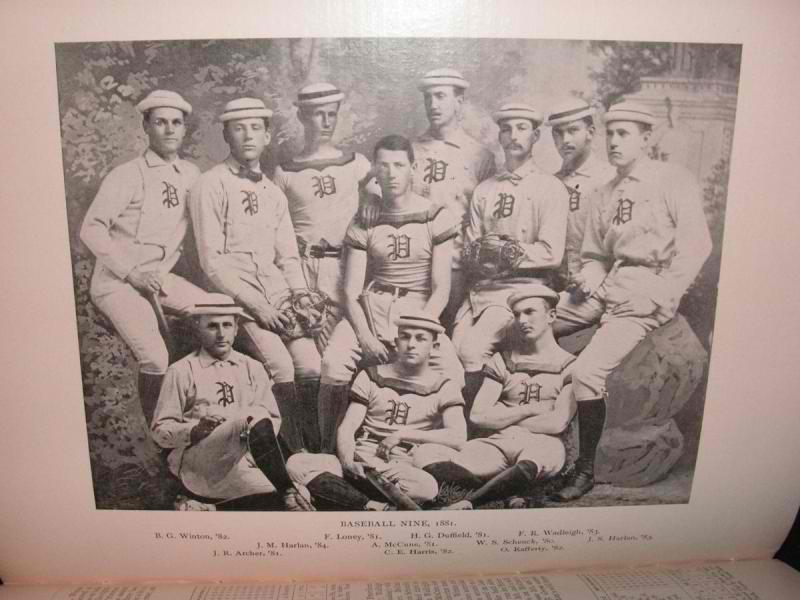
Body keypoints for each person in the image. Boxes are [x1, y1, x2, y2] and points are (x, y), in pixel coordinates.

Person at [551, 100, 712, 501]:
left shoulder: (671, 181)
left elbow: (696, 245)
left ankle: (585, 468)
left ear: (646, 137)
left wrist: (663, 294)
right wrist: (589, 280)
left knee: (587, 372)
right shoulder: (604, 192)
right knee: (536, 324)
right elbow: (594, 256)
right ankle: (533, 442)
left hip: (647, 290)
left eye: (624, 134)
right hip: (610, 285)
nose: (614, 142)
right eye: (610, 133)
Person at [318, 134, 465, 453]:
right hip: (373, 305)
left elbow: (441, 288)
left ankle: (434, 454)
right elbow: (350, 291)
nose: (391, 173)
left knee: (452, 370)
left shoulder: (435, 215)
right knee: (333, 363)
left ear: (413, 168)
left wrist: (418, 333)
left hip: (418, 309)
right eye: (383, 166)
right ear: (375, 170)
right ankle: (330, 449)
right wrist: (365, 337)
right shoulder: (366, 218)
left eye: (399, 165)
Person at [189, 97, 320, 454]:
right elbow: (211, 263)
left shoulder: (273, 193)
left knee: (311, 364)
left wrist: (301, 297)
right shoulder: (210, 184)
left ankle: (316, 454)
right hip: (235, 298)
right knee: (281, 365)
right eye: (238, 128)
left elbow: (288, 256)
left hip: (275, 291)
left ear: (267, 136)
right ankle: (288, 455)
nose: (247, 135)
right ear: (226, 136)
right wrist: (258, 307)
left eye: (255, 128)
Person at [79, 89, 211, 424]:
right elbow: (91, 229)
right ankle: (159, 433)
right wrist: (132, 273)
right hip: (118, 282)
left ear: (184, 128)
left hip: (161, 278)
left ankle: (206, 415)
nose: (169, 130)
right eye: (160, 122)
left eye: (176, 123)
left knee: (218, 309)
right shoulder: (127, 174)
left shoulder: (192, 175)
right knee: (155, 356)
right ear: (146, 127)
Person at [273, 83, 373, 451]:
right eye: (318, 114)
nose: (326, 121)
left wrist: (372, 198)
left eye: (332, 114)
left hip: (345, 269)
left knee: (338, 359)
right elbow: (275, 228)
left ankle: (338, 447)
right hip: (301, 270)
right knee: (307, 362)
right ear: (302, 116)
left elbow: (382, 197)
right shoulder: (284, 171)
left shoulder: (358, 164)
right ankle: (308, 449)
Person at [454, 103, 569, 419]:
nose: (513, 135)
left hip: (522, 290)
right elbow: (471, 248)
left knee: (471, 351)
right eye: (506, 129)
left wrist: (505, 251)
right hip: (482, 290)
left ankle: (476, 429)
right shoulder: (485, 189)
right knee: (450, 354)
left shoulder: (550, 187)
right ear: (499, 136)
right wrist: (481, 256)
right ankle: (456, 429)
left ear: (535, 136)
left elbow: (551, 252)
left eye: (521, 128)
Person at [286, 311, 467, 510]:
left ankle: (347, 497)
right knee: (296, 464)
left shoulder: (445, 385)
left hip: (400, 466)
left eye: (420, 338)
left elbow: (458, 437)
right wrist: (347, 461)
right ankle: (376, 504)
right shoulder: (371, 375)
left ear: (434, 346)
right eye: (405, 337)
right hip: (362, 458)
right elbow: (348, 427)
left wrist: (402, 434)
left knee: (426, 487)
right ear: (396, 342)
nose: (411, 344)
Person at [150, 295, 308, 510]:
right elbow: (160, 431)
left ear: (236, 329)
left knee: (299, 497)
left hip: (241, 464)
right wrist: (194, 430)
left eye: (227, 325)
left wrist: (250, 451)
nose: (221, 333)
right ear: (197, 328)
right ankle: (287, 490)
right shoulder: (181, 370)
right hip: (198, 463)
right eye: (212, 326)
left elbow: (272, 420)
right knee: (252, 417)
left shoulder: (253, 367)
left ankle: (206, 508)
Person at [437, 286, 575, 509]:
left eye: (530, 312)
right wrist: (529, 410)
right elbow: (478, 416)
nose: (522, 320)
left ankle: (471, 501)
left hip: (544, 443)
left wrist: (502, 414)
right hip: (500, 442)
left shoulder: (571, 365)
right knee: (441, 460)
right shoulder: (502, 360)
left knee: (532, 461)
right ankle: (506, 493)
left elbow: (556, 423)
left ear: (551, 316)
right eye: (517, 314)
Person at [412, 68, 497, 330]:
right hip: (413, 265)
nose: (432, 105)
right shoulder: (410, 150)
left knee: (449, 340)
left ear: (458, 102)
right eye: (428, 98)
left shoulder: (480, 155)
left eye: (440, 96)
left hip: (455, 267)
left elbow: (486, 220)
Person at [546, 98, 616, 290]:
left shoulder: (610, 179)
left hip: (601, 287)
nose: (565, 140)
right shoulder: (550, 183)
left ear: (590, 132)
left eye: (573, 130)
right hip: (555, 287)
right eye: (558, 133)